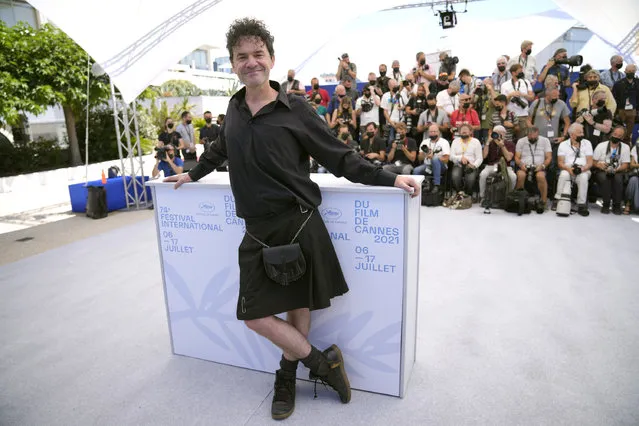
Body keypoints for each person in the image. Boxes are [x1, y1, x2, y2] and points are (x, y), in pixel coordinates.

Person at [164, 18, 419, 421]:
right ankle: (322, 364)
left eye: (258, 54)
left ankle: (286, 374)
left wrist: (389, 178)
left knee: (299, 304)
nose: (251, 63)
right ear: (232, 64)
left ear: (271, 59)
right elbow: (219, 149)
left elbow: (339, 156)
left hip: (298, 223)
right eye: (242, 57)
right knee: (254, 316)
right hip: (257, 231)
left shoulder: (295, 108)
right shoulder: (232, 109)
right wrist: (192, 173)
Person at [553, 123, 594, 216]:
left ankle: (581, 204)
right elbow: (560, 163)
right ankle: (558, 199)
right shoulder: (563, 145)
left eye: (582, 132)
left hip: (583, 169)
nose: (582, 135)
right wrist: (568, 168)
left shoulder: (587, 143)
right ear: (571, 134)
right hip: (567, 168)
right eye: (579, 133)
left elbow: (590, 162)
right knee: (564, 174)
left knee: (583, 177)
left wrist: (582, 168)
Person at [592, 126, 630, 214]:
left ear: (622, 137)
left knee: (618, 179)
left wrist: (616, 170)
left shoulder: (625, 147)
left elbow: (625, 165)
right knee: (606, 179)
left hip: (617, 170)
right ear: (612, 133)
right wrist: (599, 165)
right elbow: (593, 162)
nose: (616, 137)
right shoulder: (601, 145)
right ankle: (606, 204)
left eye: (619, 136)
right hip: (601, 170)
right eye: (615, 134)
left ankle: (617, 205)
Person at [514, 126, 552, 208]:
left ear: (538, 133)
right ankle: (519, 199)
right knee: (521, 175)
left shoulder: (545, 141)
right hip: (524, 166)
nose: (532, 138)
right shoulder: (521, 141)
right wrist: (521, 164)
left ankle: (543, 201)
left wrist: (543, 166)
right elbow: (517, 157)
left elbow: (549, 157)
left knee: (540, 176)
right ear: (527, 134)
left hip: (540, 166)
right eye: (530, 136)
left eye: (534, 136)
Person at [479, 125, 516, 205]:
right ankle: (482, 197)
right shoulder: (489, 143)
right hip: (491, 165)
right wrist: (487, 143)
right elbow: (484, 156)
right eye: (495, 133)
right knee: (483, 174)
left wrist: (502, 146)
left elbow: (509, 158)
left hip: (506, 166)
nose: (496, 135)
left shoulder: (510, 144)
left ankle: (509, 196)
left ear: (504, 134)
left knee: (513, 177)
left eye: (499, 133)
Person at [501, 63, 534, 140]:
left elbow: (531, 97)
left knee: (522, 139)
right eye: (519, 71)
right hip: (510, 115)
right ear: (513, 73)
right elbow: (503, 103)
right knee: (509, 139)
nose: (522, 73)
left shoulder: (526, 82)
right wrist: (510, 95)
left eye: (522, 71)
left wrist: (522, 94)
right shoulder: (505, 85)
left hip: (523, 115)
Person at [413, 124, 450, 192]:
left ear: (439, 132)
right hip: (428, 165)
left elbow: (446, 160)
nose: (433, 133)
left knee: (435, 159)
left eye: (435, 131)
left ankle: (436, 185)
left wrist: (434, 157)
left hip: (441, 166)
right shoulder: (425, 142)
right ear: (428, 133)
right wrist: (426, 155)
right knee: (416, 170)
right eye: (431, 131)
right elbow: (419, 158)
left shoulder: (444, 142)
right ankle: (419, 188)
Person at [450, 123, 482, 194]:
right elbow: (451, 157)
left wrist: (474, 165)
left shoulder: (476, 142)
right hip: (458, 164)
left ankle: (468, 194)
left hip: (471, 165)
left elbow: (479, 158)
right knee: (455, 176)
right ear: (459, 132)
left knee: (470, 179)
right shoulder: (455, 141)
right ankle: (460, 193)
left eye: (466, 130)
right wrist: (460, 158)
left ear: (471, 132)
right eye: (462, 130)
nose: (464, 131)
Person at [612, 64, 638, 144]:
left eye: (632, 71)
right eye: (629, 71)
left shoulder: (638, 82)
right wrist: (615, 112)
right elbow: (614, 98)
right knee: (618, 130)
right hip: (621, 110)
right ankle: (615, 145)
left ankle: (626, 147)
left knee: (629, 132)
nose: (631, 73)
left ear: (635, 72)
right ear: (625, 71)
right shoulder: (618, 84)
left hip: (633, 110)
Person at [381, 79, 408, 144]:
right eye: (394, 86)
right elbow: (385, 111)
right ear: (389, 87)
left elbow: (407, 105)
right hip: (391, 122)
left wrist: (402, 107)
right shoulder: (385, 95)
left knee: (402, 140)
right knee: (391, 140)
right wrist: (390, 122)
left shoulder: (402, 94)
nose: (396, 87)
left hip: (401, 122)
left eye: (396, 85)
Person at [624, 142, 639, 214]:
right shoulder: (636, 147)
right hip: (637, 174)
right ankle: (628, 204)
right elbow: (632, 165)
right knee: (633, 180)